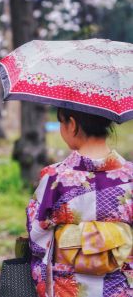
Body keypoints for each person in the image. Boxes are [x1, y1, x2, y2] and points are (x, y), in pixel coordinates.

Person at [26, 107, 133, 297]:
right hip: (121, 287)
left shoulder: (55, 177)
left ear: (72, 124)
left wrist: (72, 243)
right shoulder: (130, 177)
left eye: (61, 122)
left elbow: (36, 236)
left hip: (67, 288)